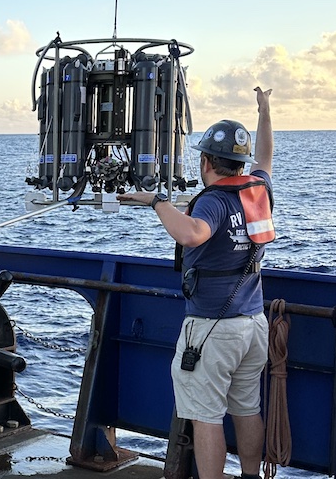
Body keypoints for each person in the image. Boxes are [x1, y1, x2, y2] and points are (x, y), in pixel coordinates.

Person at [118, 87, 275, 479]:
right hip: (254, 324)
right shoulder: (258, 188)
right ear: (240, 162)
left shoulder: (212, 200)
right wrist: (265, 108)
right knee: (247, 408)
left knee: (206, 417)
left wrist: (157, 202)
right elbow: (267, 157)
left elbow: (192, 234)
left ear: (206, 162)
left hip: (212, 329)